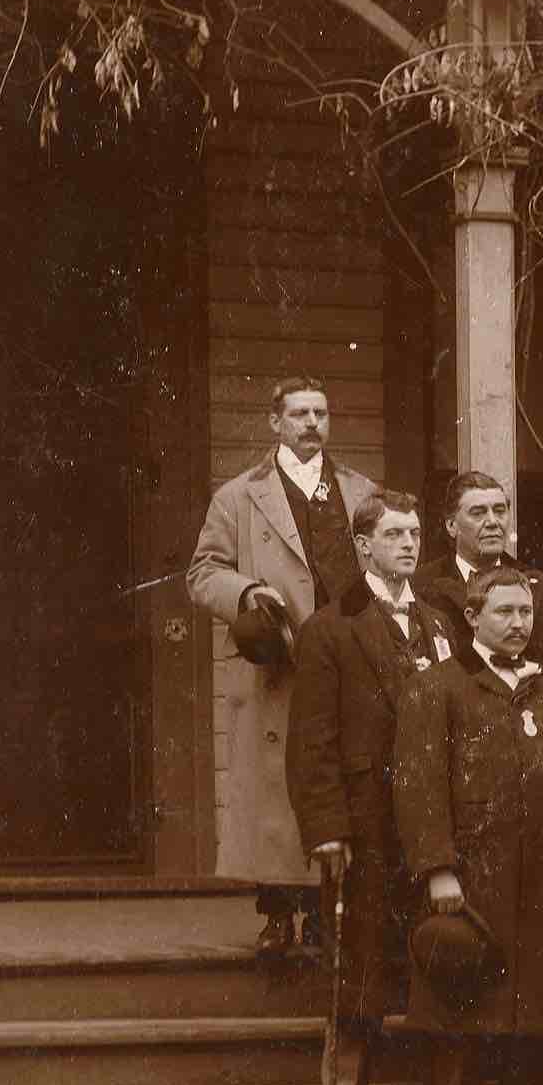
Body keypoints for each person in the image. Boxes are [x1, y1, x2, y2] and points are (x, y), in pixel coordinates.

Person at [393, 567, 543, 1085]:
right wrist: (438, 869)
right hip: (471, 881)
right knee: (460, 1008)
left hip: (542, 880)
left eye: (526, 613)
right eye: (505, 612)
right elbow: (418, 785)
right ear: (474, 616)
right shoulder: (439, 687)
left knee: (535, 1012)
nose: (518, 624)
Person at [285, 491, 454, 1085]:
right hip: (365, 824)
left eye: (415, 532)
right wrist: (327, 826)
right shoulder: (332, 628)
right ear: (363, 545)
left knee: (439, 963)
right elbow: (312, 739)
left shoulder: (439, 623)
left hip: (433, 825)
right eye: (394, 534)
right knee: (356, 969)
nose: (409, 544)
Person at [188, 375, 376, 955]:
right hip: (280, 657)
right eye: (299, 415)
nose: (312, 424)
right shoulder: (241, 496)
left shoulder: (359, 490)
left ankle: (324, 914)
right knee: (276, 789)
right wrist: (246, 592)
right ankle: (276, 916)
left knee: (335, 777)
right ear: (276, 423)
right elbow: (202, 572)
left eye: (320, 413)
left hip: (344, 656)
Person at [411, 470, 543, 676]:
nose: (492, 522)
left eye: (499, 511)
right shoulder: (422, 585)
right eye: (478, 513)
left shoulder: (536, 584)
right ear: (451, 526)